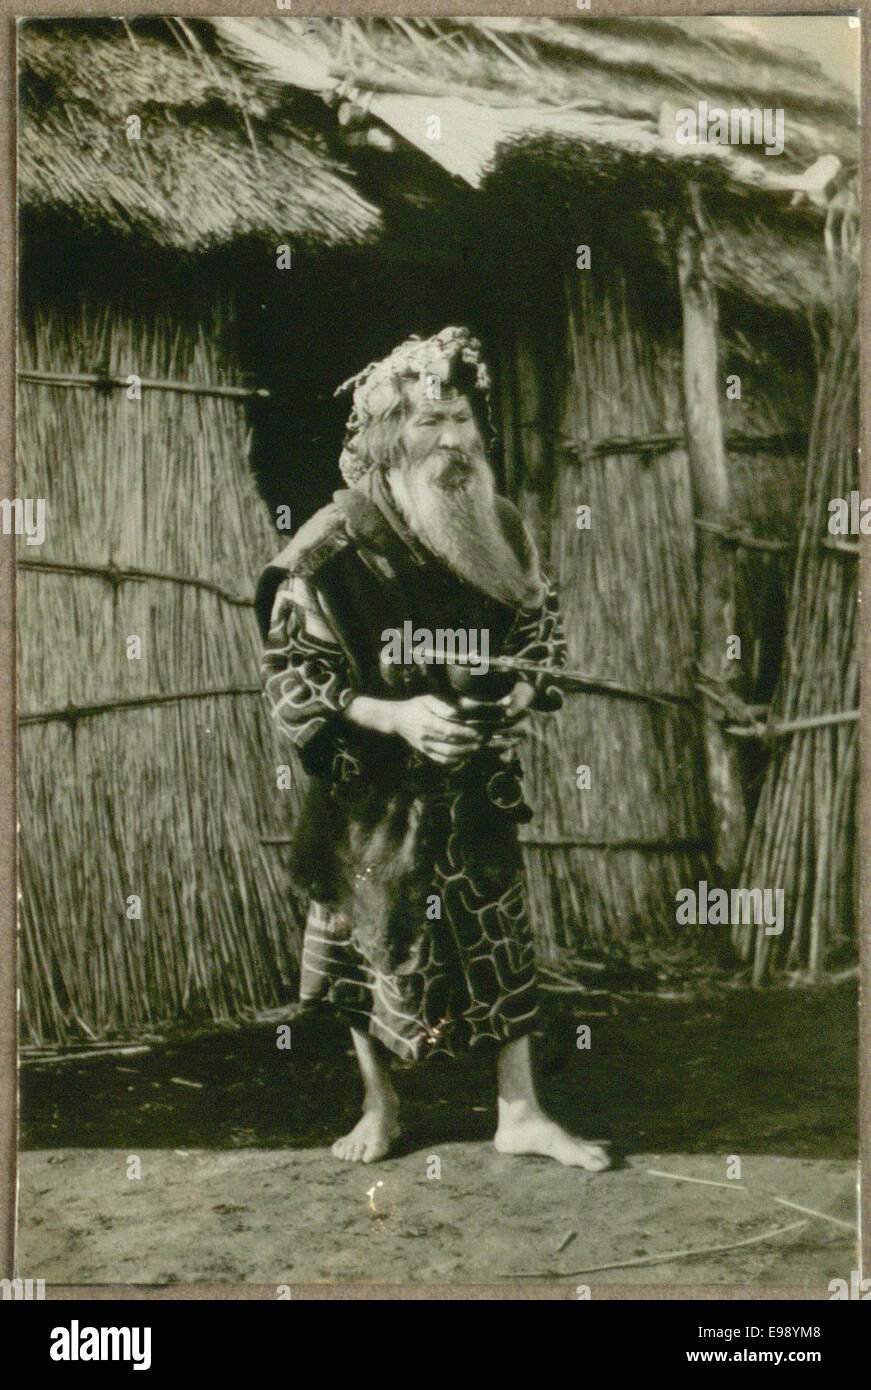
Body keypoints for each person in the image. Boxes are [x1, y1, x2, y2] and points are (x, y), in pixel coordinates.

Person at [255, 326, 609, 1171]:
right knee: (360, 946)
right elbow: (291, 677)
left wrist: (520, 693)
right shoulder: (329, 550)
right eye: (426, 424)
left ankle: (519, 1112)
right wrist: (392, 715)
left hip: (474, 780)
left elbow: (538, 628)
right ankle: (379, 1104)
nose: (452, 440)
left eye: (462, 422)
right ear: (383, 441)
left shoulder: (501, 528)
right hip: (369, 787)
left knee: (498, 939)